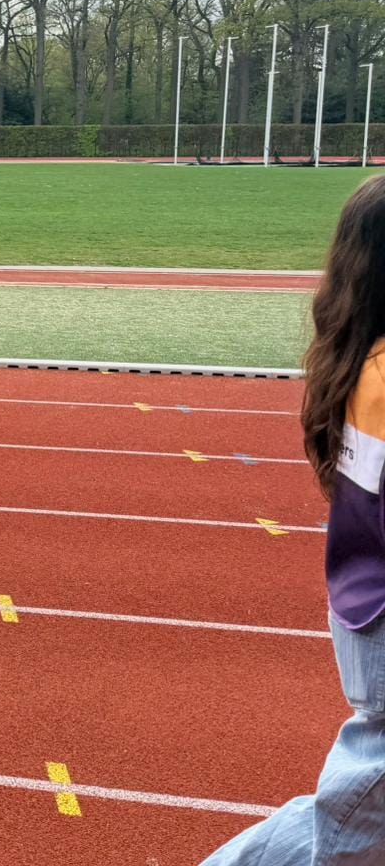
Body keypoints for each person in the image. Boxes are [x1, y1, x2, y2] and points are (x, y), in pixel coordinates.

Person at [202, 175, 385, 864]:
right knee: (356, 822)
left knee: (357, 809)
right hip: (380, 613)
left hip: (365, 603)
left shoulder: (362, 358)